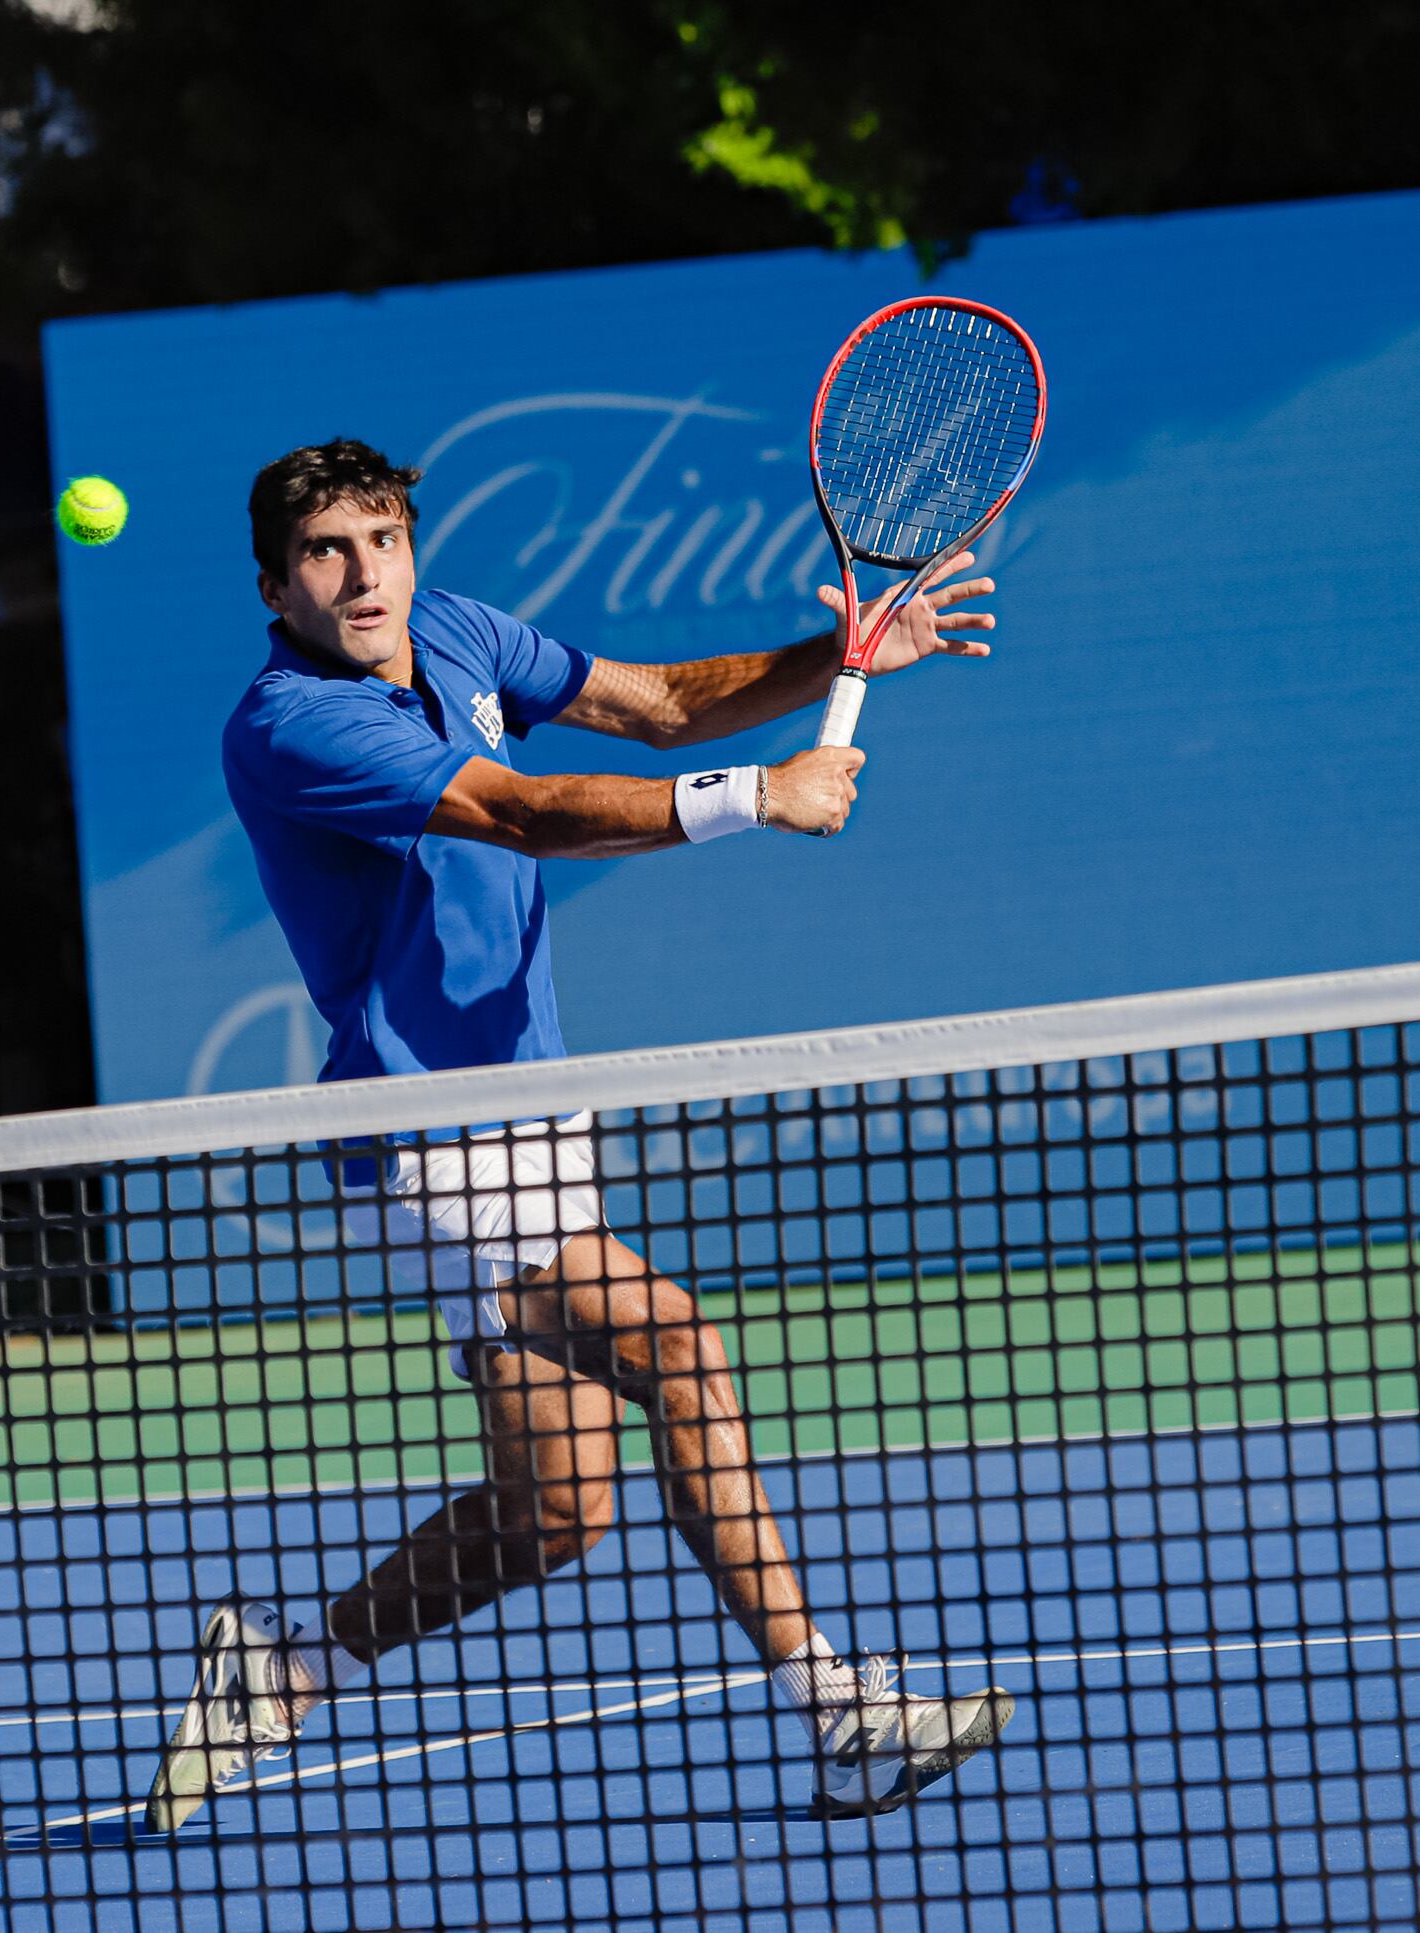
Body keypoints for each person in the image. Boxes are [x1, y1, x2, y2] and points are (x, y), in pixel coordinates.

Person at [145, 439, 1017, 1832]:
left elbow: (664, 705)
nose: (364, 572)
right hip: (427, 1130)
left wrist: (841, 647)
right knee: (679, 1345)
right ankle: (839, 1711)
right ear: (275, 584)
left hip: (537, 1105)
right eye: (327, 550)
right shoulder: (289, 726)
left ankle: (285, 1667)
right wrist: (760, 795)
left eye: (382, 537)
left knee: (555, 1511)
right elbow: (517, 808)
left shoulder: (456, 629)